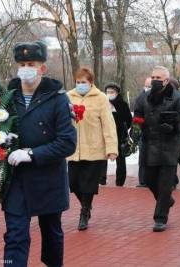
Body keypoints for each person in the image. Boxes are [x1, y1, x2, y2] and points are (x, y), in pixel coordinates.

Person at [3, 41, 77, 267]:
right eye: (22, 64)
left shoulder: (58, 99)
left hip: (48, 179)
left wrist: (32, 153)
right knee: (15, 235)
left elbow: (67, 143)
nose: (26, 68)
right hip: (16, 180)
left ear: (42, 68)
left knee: (52, 234)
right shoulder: (6, 98)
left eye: (31, 64)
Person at [134, 66, 180, 232]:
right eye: (153, 77)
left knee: (165, 184)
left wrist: (174, 127)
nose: (154, 80)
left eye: (158, 77)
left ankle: (160, 218)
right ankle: (166, 200)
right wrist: (136, 128)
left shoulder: (177, 97)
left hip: (169, 146)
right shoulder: (143, 97)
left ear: (166, 80)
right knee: (150, 180)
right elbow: (137, 116)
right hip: (149, 145)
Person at [67, 67, 118, 231]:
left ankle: (84, 212)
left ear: (91, 83)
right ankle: (85, 205)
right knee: (73, 183)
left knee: (88, 184)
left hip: (94, 148)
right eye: (78, 82)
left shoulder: (101, 98)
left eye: (84, 82)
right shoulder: (68, 97)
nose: (80, 85)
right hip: (73, 149)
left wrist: (111, 148)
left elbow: (108, 124)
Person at [103, 82, 132, 186]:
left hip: (119, 136)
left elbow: (128, 120)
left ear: (117, 93)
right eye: (107, 92)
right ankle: (101, 180)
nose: (109, 94)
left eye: (112, 92)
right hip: (104, 136)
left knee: (120, 160)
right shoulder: (103, 103)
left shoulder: (122, 104)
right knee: (102, 158)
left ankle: (120, 182)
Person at [134, 77, 152, 187]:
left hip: (155, 132)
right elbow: (136, 113)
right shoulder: (140, 98)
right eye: (146, 86)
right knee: (143, 157)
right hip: (143, 132)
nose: (147, 88)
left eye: (150, 86)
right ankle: (143, 180)